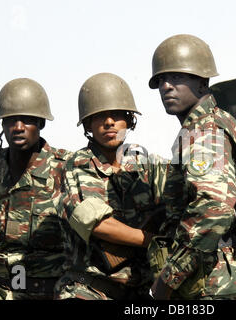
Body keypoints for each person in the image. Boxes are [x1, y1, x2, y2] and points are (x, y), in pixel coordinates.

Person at [148, 34, 236, 300]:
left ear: (201, 81)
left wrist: (167, 281)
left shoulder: (203, 131)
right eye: (161, 81)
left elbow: (215, 209)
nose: (166, 86)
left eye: (177, 77)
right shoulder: (221, 121)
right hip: (224, 278)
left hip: (208, 285)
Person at [55, 72, 170, 300]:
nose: (109, 122)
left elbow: (190, 180)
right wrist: (152, 241)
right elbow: (99, 224)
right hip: (89, 290)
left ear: (129, 120)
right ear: (88, 123)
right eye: (100, 116)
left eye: (117, 115)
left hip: (138, 292)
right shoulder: (77, 165)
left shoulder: (143, 161)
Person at [0, 78, 72, 300]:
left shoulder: (65, 168)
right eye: (10, 120)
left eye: (27, 120)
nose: (18, 128)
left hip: (54, 291)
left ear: (41, 122)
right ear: (1, 124)